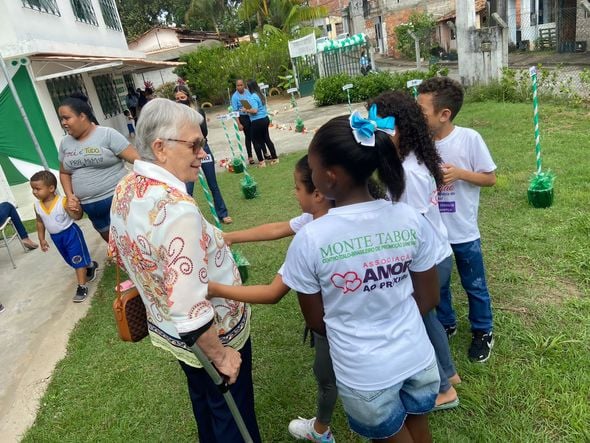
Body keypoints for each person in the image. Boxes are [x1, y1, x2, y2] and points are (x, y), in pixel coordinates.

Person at [108, 98, 261, 443]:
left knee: (205, 402)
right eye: (194, 144)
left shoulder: (126, 186)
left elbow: (118, 251)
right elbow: (190, 310)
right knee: (232, 417)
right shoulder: (178, 210)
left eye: (202, 144)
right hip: (212, 335)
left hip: (172, 331)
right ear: (160, 148)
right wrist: (221, 355)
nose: (202, 154)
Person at [282, 113, 441, 442]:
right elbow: (429, 298)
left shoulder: (311, 240)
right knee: (419, 429)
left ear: (329, 177)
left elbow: (316, 321)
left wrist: (359, 328)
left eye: (311, 170)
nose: (310, 176)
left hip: (365, 373)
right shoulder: (410, 219)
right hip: (418, 358)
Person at [211, 155, 337, 443]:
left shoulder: (312, 238)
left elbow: (272, 292)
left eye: (296, 188)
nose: (293, 193)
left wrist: (215, 289)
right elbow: (278, 228)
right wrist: (231, 237)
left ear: (317, 193)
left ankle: (321, 430)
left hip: (331, 323)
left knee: (326, 374)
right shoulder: (324, 213)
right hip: (347, 316)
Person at [369, 92, 462, 410]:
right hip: (438, 256)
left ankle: (444, 388)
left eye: (376, 132)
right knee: (429, 318)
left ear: (396, 131)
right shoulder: (415, 159)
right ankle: (450, 372)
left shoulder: (408, 174)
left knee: (419, 322)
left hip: (427, 264)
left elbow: (410, 230)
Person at [417, 77, 497, 363]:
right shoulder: (422, 144)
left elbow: (490, 178)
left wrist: (461, 174)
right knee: (439, 285)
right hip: (434, 235)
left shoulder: (469, 139)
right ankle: (446, 323)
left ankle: (483, 330)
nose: (417, 114)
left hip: (463, 232)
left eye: (422, 110)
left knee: (474, 284)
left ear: (444, 114)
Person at [58, 94, 140, 242]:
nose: (63, 123)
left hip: (119, 200)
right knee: (114, 245)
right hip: (91, 207)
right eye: (61, 119)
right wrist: (70, 195)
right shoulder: (65, 143)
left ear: (82, 116)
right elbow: (64, 172)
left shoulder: (107, 135)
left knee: (134, 241)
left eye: (66, 118)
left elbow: (138, 160)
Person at [30, 170, 98, 303]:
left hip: (71, 234)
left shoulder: (63, 202)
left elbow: (77, 217)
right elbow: (39, 222)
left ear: (51, 188)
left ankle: (82, 287)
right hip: (56, 238)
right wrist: (41, 239)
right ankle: (90, 266)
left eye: (37, 189)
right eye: (32, 189)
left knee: (77, 259)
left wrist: (75, 209)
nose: (34, 192)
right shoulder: (37, 206)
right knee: (71, 260)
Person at [174, 85, 232, 224]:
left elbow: (204, 132)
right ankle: (189, 218)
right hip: (186, 151)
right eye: (177, 99)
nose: (180, 101)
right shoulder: (174, 116)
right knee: (187, 187)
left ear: (188, 97)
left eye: (182, 98)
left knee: (213, 183)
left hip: (202, 147)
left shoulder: (198, 111)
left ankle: (222, 213)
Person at [242, 79, 278, 167]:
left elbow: (254, 110)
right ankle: (275, 158)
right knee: (266, 139)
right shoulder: (260, 95)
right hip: (265, 118)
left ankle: (261, 162)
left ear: (250, 87)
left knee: (256, 141)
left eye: (247, 86)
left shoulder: (253, 96)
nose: (246, 88)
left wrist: (245, 109)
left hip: (257, 121)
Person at [231, 79, 257, 164]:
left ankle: (262, 153)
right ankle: (250, 157)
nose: (240, 87)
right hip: (243, 117)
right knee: (248, 136)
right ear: (236, 86)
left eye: (241, 85)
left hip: (251, 115)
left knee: (256, 135)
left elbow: (253, 103)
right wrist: (239, 124)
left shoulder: (248, 92)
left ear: (244, 85)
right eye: (238, 85)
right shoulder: (234, 97)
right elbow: (235, 112)